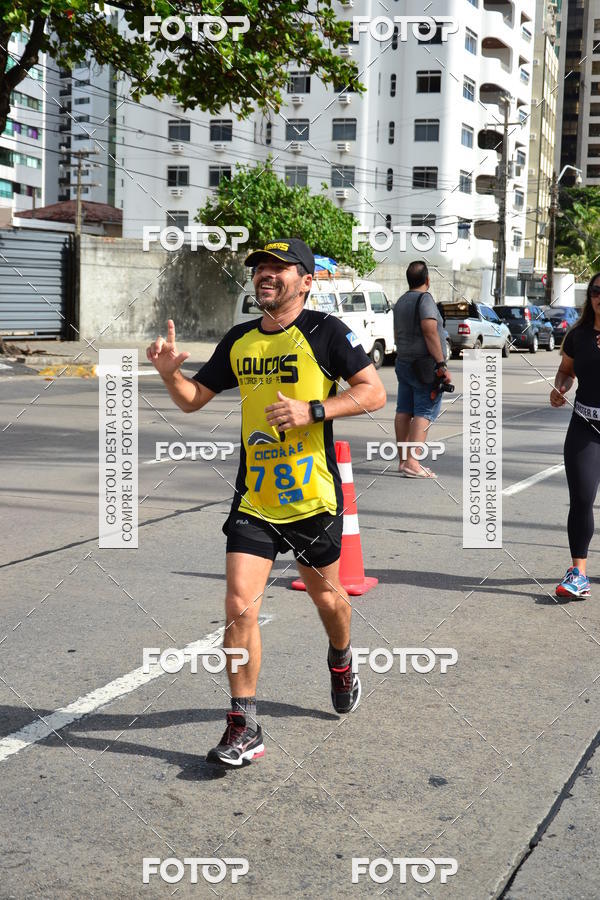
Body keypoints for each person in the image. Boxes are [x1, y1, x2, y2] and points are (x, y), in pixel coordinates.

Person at [146, 238, 386, 765]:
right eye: (260, 268)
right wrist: (170, 375)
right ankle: (243, 723)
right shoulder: (240, 340)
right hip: (255, 499)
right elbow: (193, 401)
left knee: (328, 602)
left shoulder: (328, 333)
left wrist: (314, 411)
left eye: (280, 268)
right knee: (237, 606)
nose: (266, 275)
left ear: (307, 280)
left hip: (312, 500)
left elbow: (372, 392)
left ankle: (342, 660)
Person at [550, 271, 600, 599]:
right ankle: (578, 573)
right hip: (585, 425)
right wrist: (560, 388)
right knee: (582, 498)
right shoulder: (577, 336)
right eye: (596, 291)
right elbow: (566, 371)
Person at [393, 260, 452, 478]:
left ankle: (403, 460)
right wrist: (441, 364)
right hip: (425, 366)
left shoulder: (400, 301)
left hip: (404, 362)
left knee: (404, 411)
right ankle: (413, 462)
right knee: (424, 411)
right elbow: (429, 331)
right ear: (427, 280)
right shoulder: (425, 299)